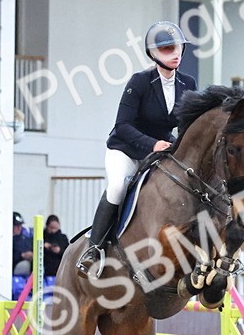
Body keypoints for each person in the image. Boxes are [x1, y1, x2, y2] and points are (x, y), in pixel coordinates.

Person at [76, 20, 197, 276]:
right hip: (126, 149)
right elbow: (122, 126)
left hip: (162, 151)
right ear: (153, 54)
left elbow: (188, 126)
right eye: (167, 49)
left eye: (177, 48)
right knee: (119, 186)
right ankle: (94, 248)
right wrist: (152, 144)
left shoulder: (188, 83)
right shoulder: (140, 82)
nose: (175, 54)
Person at [12, 212, 33, 276]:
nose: (19, 228)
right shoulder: (5, 241)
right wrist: (21, 255)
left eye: (20, 226)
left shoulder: (25, 239)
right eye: (16, 226)